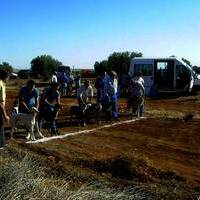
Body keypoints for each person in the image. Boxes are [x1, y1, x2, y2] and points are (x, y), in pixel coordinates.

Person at [0, 69, 10, 149]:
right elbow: (0, 102)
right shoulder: (0, 84)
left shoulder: (2, 84)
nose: (8, 79)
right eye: (8, 77)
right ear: (4, 77)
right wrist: (5, 115)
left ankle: (2, 143)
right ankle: (1, 145)